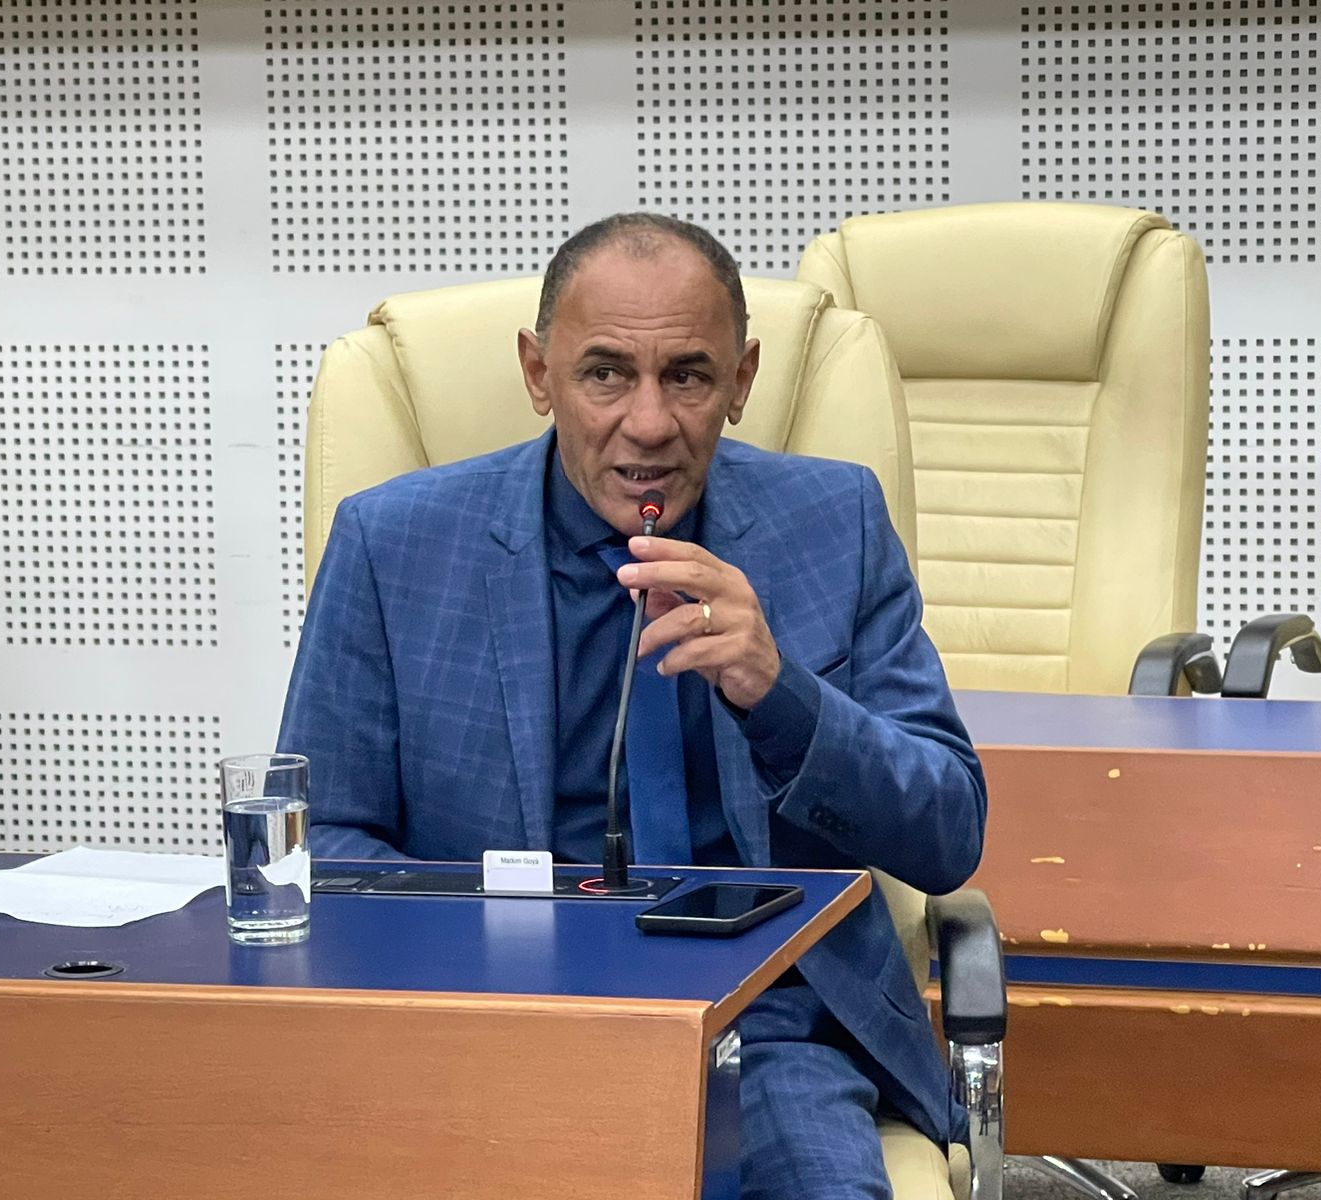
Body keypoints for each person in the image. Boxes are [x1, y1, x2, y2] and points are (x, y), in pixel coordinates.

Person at [278, 212, 986, 1199]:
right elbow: (322, 845)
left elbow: (948, 832)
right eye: (605, 374)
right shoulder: (393, 545)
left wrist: (779, 692)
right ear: (539, 375)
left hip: (767, 1023)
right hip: (495, 1014)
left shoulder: (835, 521)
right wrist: (499, 953)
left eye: (687, 377)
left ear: (740, 381)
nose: (648, 424)